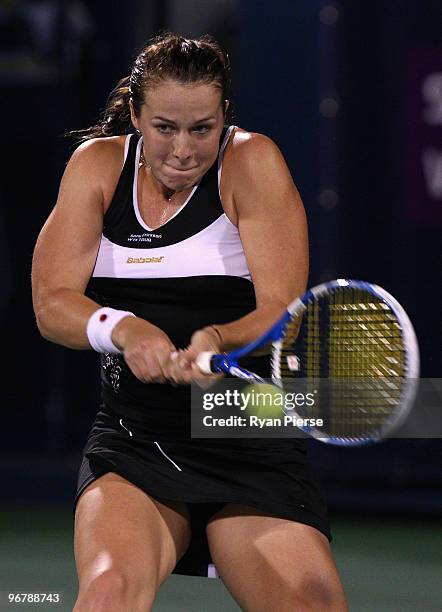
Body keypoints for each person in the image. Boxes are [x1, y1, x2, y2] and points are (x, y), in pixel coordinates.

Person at [32, 32, 348, 611]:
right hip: (136, 440)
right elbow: (52, 304)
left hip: (246, 436)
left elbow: (284, 310)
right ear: (134, 114)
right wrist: (123, 329)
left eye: (201, 128)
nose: (182, 149)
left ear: (225, 115)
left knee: (311, 605)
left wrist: (216, 342)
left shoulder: (252, 161)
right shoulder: (97, 167)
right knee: (107, 592)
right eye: (164, 127)